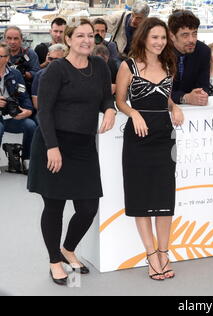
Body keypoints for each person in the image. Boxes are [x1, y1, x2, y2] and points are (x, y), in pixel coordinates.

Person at [27, 19, 116, 286]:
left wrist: (110, 108)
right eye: (80, 35)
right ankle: (55, 260)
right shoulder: (56, 70)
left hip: (84, 146)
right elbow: (44, 112)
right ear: (68, 39)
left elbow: (105, 97)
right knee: (54, 206)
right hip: (53, 143)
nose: (87, 40)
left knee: (88, 206)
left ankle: (68, 248)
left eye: (90, 36)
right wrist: (52, 147)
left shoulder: (100, 66)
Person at [116, 17, 184, 281]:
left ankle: (164, 252)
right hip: (138, 136)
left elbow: (164, 97)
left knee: (165, 198)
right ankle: (151, 256)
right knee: (141, 198)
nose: (159, 42)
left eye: (163, 38)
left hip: (165, 137)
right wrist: (133, 113)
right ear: (144, 37)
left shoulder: (169, 64)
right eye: (154, 37)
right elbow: (120, 100)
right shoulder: (128, 66)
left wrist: (175, 106)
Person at [0, 42, 36, 174]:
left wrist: (28, 110)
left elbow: (24, 95)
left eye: (1, 56)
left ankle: (27, 159)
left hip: (12, 115)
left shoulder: (15, 74)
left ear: (8, 58)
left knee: (31, 125)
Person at [168, 10, 211, 106]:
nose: (191, 40)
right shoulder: (161, 52)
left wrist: (201, 95)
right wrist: (185, 98)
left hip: (194, 112)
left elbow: (204, 85)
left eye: (194, 34)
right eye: (185, 35)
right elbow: (158, 92)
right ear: (172, 36)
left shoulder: (204, 51)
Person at [4, 26, 40, 95]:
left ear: (21, 39)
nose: (12, 42)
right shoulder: (1, 54)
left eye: (16, 38)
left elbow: (37, 74)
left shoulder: (29, 53)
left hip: (24, 90)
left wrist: (25, 73)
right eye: (9, 38)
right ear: (4, 39)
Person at [31, 44, 68, 109]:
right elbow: (36, 103)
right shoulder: (39, 75)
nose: (52, 62)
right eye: (50, 59)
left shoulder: (71, 74)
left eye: (56, 60)